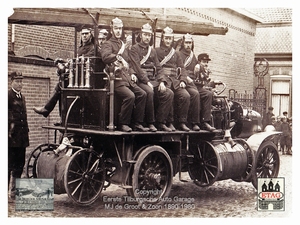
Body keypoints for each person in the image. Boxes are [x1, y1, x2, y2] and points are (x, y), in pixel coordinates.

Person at [33, 28, 96, 118]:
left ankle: (47, 109)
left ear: (91, 34)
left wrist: (64, 61)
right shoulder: (80, 48)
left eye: (86, 34)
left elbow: (81, 61)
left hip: (83, 77)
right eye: (83, 34)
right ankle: (60, 117)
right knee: (62, 90)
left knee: (61, 86)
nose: (84, 36)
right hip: (77, 75)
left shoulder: (93, 48)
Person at [100, 17, 148, 132]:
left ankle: (137, 123)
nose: (118, 31)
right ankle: (123, 123)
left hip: (126, 78)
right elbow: (105, 57)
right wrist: (118, 57)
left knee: (142, 94)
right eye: (116, 28)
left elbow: (129, 63)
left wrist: (132, 73)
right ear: (112, 30)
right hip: (115, 80)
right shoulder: (107, 44)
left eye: (120, 29)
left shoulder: (122, 44)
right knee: (130, 96)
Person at [129, 23, 169, 132]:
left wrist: (162, 81)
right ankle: (147, 122)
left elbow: (159, 67)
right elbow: (137, 67)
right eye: (145, 35)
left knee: (168, 93)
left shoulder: (152, 51)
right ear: (141, 35)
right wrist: (147, 82)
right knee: (149, 92)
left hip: (153, 80)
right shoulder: (134, 48)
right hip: (140, 80)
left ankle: (161, 122)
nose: (147, 37)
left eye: (149, 35)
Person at [179, 34, 219, 131]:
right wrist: (186, 78)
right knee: (195, 94)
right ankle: (194, 123)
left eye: (190, 43)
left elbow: (200, 71)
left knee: (208, 94)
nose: (188, 45)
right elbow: (178, 69)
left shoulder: (193, 56)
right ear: (183, 44)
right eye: (186, 43)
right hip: (183, 82)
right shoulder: (178, 54)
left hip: (193, 83)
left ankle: (205, 122)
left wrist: (199, 67)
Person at [155, 27, 191, 131]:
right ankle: (166, 122)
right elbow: (157, 68)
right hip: (163, 79)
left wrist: (183, 80)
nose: (168, 40)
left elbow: (182, 68)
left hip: (175, 80)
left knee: (186, 95)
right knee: (169, 93)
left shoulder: (176, 53)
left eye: (170, 38)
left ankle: (182, 122)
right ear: (162, 39)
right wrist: (161, 80)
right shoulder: (156, 51)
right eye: (166, 38)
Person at [8, 71, 29, 201]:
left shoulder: (23, 97)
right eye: (17, 81)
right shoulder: (7, 96)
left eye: (21, 81)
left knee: (19, 165)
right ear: (12, 82)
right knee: (8, 165)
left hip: (21, 138)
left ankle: (14, 192)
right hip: (11, 138)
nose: (20, 84)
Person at [193, 53, 217, 131]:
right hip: (195, 87)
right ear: (199, 62)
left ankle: (207, 120)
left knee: (210, 94)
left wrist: (214, 83)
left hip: (200, 88)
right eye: (204, 62)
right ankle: (200, 122)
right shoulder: (197, 68)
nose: (206, 64)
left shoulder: (205, 70)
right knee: (206, 94)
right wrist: (209, 86)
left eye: (207, 62)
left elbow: (205, 83)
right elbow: (197, 82)